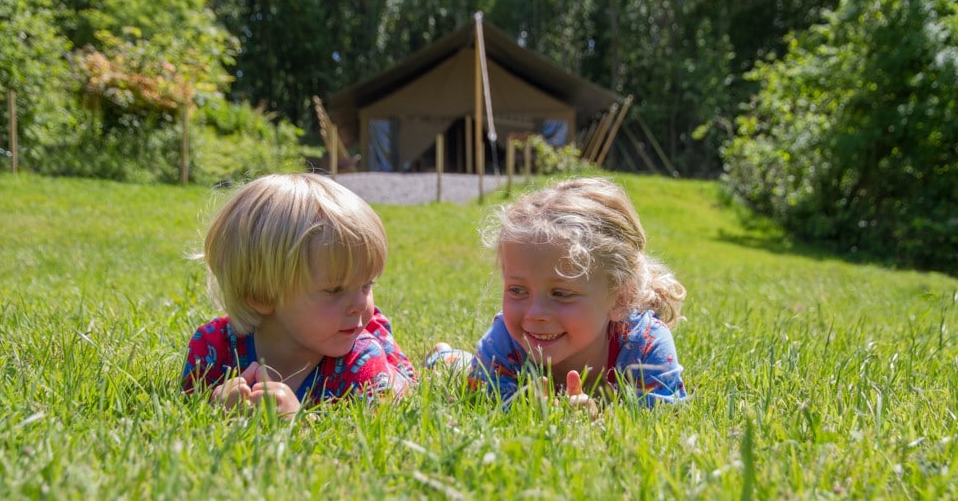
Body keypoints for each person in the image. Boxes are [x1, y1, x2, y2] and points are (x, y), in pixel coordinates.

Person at [182, 173, 417, 418]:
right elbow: (185, 409)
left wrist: (302, 422)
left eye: (366, 285)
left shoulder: (362, 360)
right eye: (335, 289)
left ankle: (445, 357)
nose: (360, 304)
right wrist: (212, 407)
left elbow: (385, 428)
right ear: (260, 294)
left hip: (388, 368)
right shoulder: (212, 349)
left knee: (421, 370)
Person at [457, 176, 687, 408]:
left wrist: (600, 420)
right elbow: (482, 400)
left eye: (561, 293)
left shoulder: (645, 346)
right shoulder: (505, 339)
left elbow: (664, 415)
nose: (535, 313)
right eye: (517, 289)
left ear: (621, 297)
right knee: (458, 367)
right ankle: (445, 357)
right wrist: (530, 411)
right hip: (481, 363)